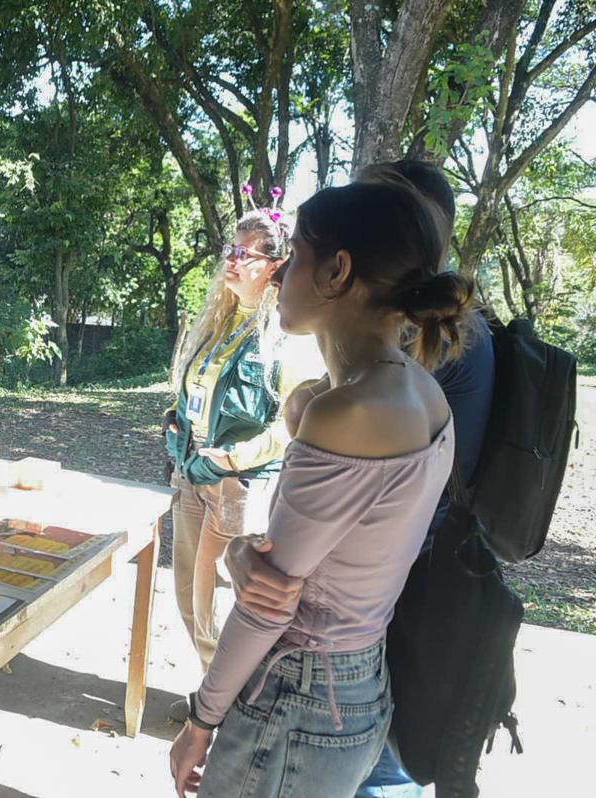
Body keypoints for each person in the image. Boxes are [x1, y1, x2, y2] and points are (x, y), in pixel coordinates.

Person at [170, 180, 470, 797]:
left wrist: (201, 720)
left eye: (298, 255)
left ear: (337, 272)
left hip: (296, 695)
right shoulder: (420, 391)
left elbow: (269, 603)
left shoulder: (349, 412)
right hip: (358, 685)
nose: (280, 275)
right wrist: (241, 549)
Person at [163, 207, 322, 722]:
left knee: (217, 600)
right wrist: (175, 423)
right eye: (229, 250)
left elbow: (294, 424)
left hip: (238, 484)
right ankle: (211, 699)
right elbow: (195, 392)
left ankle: (227, 713)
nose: (231, 261)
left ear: (274, 266)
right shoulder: (219, 319)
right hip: (194, 474)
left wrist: (234, 457)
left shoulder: (290, 335)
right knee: (187, 593)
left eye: (244, 254)